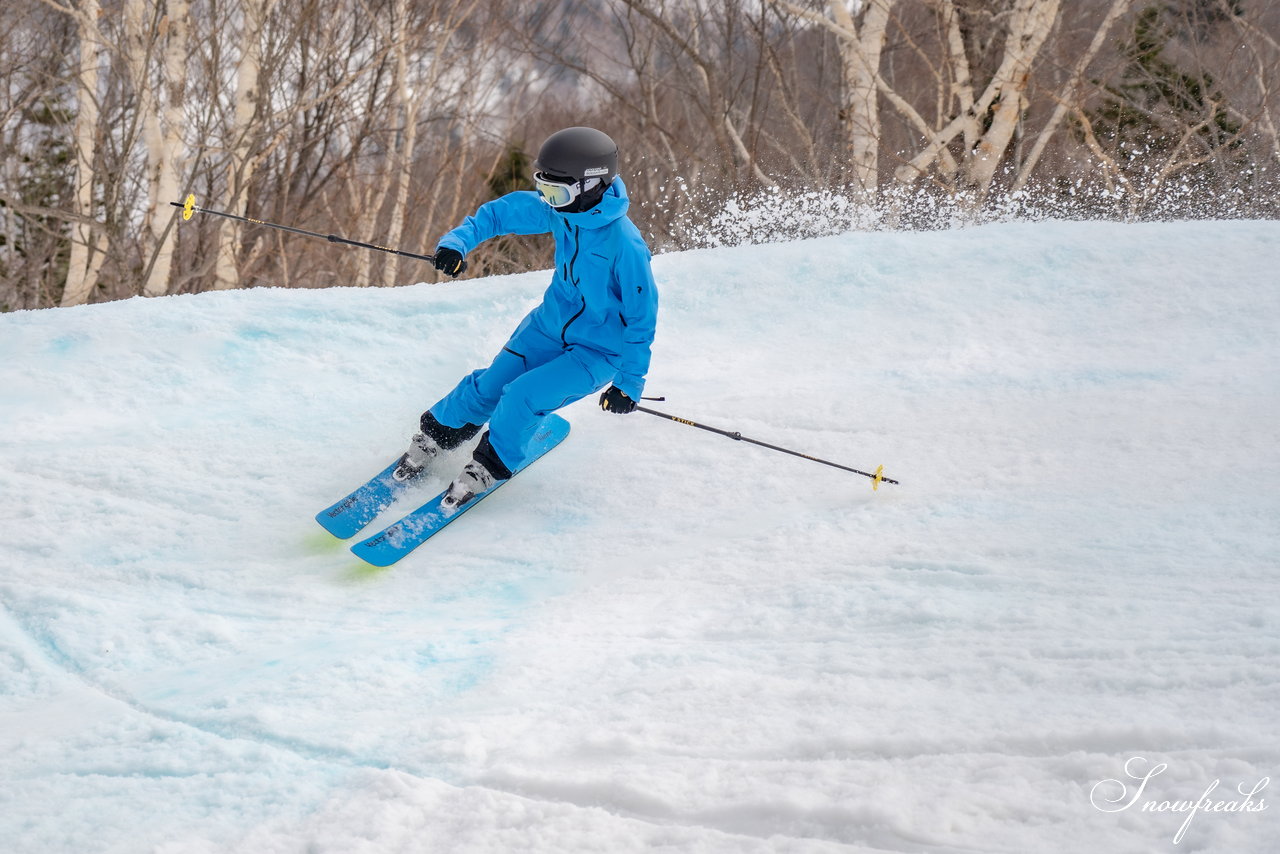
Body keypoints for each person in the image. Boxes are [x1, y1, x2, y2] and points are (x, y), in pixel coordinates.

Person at [393, 127, 659, 514]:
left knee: (521, 396)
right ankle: (437, 435)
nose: (549, 202)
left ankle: (488, 465)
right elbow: (500, 214)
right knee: (491, 384)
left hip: (598, 352)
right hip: (547, 327)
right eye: (544, 190)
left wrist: (629, 384)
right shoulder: (564, 213)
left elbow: (642, 318)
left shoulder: (625, 245)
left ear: (592, 186)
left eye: (558, 194)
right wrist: (456, 243)